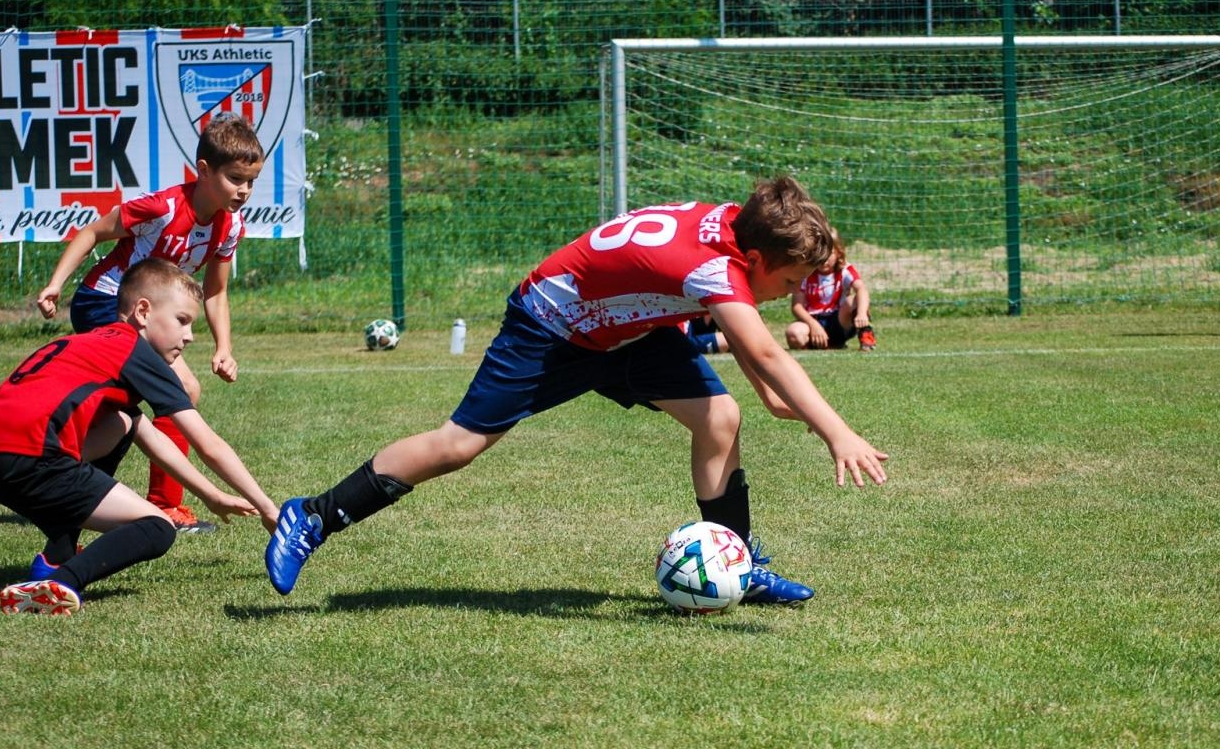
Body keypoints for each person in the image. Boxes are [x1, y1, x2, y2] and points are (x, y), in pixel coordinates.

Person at [264, 176, 889, 604]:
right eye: (791, 279)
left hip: (630, 331)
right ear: (754, 257)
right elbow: (764, 349)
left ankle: (740, 566)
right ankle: (312, 517)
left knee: (719, 418)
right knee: (458, 446)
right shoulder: (713, 265)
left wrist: (770, 394)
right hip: (552, 326)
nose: (796, 293)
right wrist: (836, 431)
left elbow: (755, 353)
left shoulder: (728, 227)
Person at [0, 114, 264, 531]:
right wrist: (55, 285)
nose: (244, 190)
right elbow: (92, 233)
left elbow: (215, 290)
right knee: (180, 388)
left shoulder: (230, 226)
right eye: (235, 179)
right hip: (104, 301)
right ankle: (168, 506)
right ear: (204, 170)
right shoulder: (163, 207)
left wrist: (223, 346)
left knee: (110, 405)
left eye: (251, 181)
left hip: (144, 316)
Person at [0, 258, 278, 615]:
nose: (189, 336)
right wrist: (268, 507)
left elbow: (149, 436)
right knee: (158, 528)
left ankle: (57, 556)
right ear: (143, 311)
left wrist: (212, 495)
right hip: (32, 460)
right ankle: (62, 581)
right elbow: (208, 444)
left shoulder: (94, 342)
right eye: (182, 321)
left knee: (121, 423)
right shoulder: (136, 353)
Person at [784, 228, 876, 351]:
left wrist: (861, 313)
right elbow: (797, 306)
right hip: (813, 321)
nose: (824, 259)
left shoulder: (845, 270)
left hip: (838, 321)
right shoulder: (806, 272)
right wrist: (814, 325)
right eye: (820, 253)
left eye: (830, 253)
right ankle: (816, 345)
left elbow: (861, 289)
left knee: (853, 300)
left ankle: (866, 338)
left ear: (839, 253)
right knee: (793, 333)